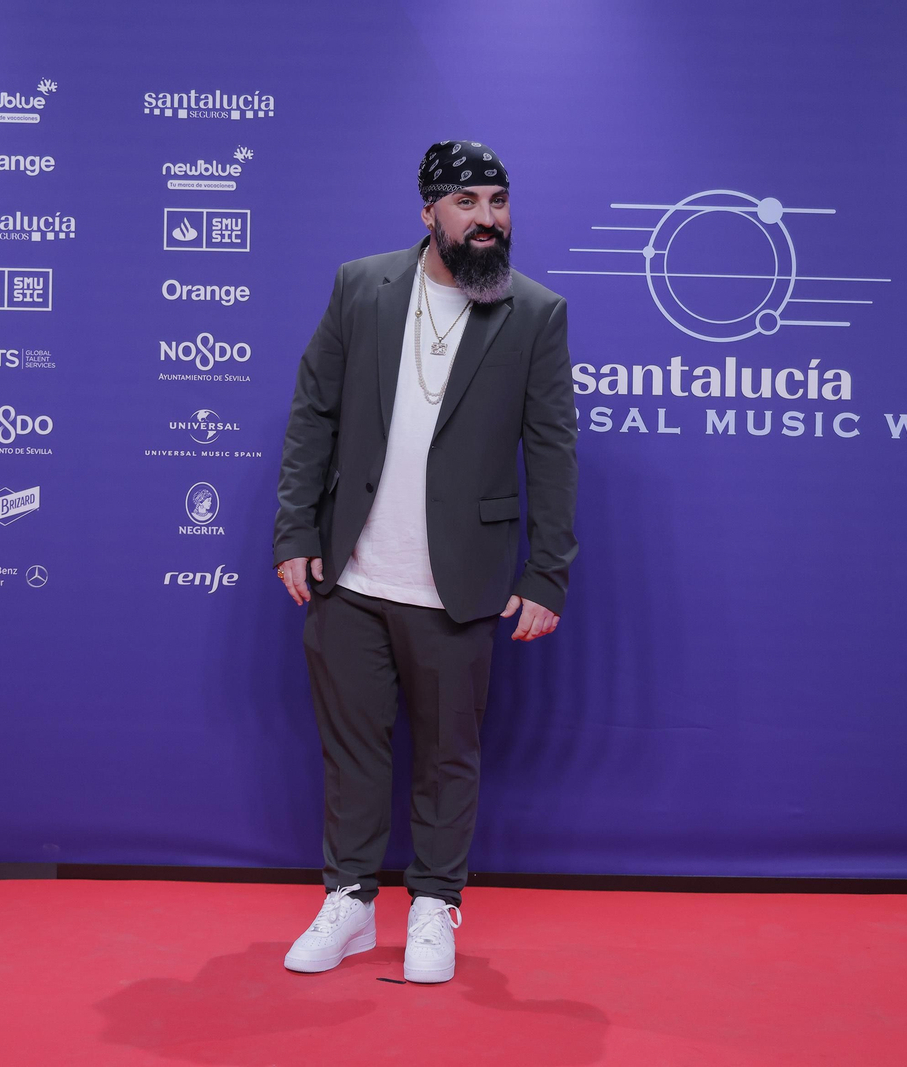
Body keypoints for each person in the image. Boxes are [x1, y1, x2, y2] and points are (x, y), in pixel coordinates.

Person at [272, 140, 578, 984]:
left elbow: (553, 452)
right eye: (469, 202)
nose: (489, 220)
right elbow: (313, 415)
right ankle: (351, 900)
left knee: (450, 754)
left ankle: (436, 903)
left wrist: (547, 572)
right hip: (351, 575)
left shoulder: (535, 312)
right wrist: (295, 529)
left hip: (461, 580)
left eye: (500, 202)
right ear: (429, 213)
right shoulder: (360, 286)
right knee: (353, 752)